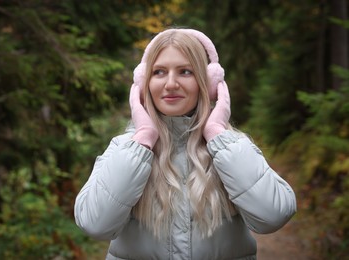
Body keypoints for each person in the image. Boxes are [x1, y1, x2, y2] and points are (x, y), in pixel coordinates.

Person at [74, 28, 297, 260]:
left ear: (208, 82)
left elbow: (274, 216)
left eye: (185, 72)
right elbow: (95, 224)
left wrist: (217, 135)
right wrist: (142, 142)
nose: (171, 84)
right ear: (143, 83)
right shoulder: (125, 149)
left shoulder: (231, 147)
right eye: (159, 72)